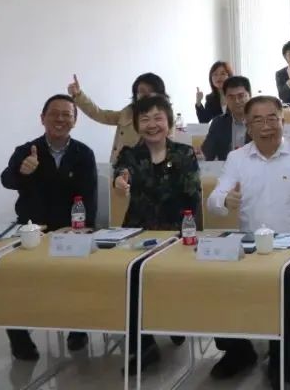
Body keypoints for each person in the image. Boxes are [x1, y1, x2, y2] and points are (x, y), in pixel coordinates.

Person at [206, 96, 290, 385]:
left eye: (272, 118)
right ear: (248, 127)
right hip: (252, 251)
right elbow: (213, 201)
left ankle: (286, 350)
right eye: (258, 120)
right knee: (216, 281)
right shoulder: (237, 158)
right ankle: (239, 351)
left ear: (283, 121)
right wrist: (225, 200)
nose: (266, 126)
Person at [0, 94, 97, 361]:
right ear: (42, 118)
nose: (60, 119)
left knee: (81, 277)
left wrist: (83, 230)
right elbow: (6, 180)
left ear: (75, 121)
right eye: (54, 113)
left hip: (71, 230)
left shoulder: (83, 154)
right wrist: (22, 171)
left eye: (67, 114)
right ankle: (18, 336)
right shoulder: (27, 150)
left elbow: (89, 197)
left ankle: (78, 328)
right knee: (14, 279)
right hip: (33, 230)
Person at [113, 95, 201, 374]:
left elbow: (192, 196)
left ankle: (173, 321)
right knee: (131, 281)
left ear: (169, 122)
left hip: (177, 231)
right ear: (137, 124)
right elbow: (121, 172)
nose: (152, 125)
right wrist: (120, 181)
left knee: (172, 282)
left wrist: (190, 236)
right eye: (145, 119)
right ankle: (144, 346)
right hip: (138, 230)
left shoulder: (184, 153)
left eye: (158, 118)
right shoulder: (130, 154)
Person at [68, 71, 166, 164]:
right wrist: (78, 95)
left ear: (160, 94)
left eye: (151, 91)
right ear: (136, 95)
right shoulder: (127, 113)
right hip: (121, 167)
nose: (146, 95)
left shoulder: (166, 118)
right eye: (142, 91)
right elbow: (100, 114)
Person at [201, 76, 253, 161]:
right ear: (225, 99)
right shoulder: (218, 123)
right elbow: (207, 153)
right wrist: (200, 154)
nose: (236, 101)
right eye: (231, 97)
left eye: (241, 96)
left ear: (250, 96)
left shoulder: (260, 121)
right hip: (227, 168)